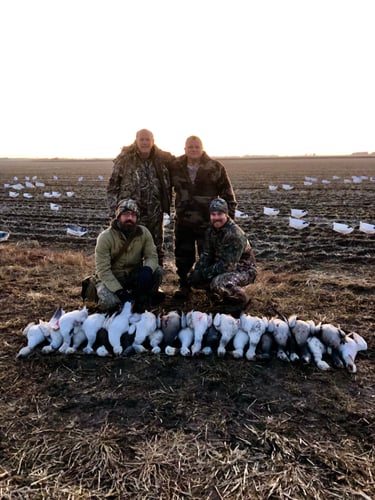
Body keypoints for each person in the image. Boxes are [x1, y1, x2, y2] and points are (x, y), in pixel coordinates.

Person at [169, 135, 237, 298]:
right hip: (183, 222)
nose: (193, 150)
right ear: (185, 149)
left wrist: (229, 222)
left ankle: (209, 287)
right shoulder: (175, 166)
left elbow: (229, 197)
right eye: (190, 147)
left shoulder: (215, 167)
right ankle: (184, 285)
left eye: (196, 147)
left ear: (202, 148)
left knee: (209, 255)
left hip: (208, 223)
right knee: (183, 255)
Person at [107, 129, 173, 266]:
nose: (144, 142)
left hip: (154, 212)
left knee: (155, 249)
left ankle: (155, 282)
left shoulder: (162, 159)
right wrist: (114, 211)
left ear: (153, 141)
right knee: (130, 249)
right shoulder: (125, 159)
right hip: (130, 214)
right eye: (141, 139)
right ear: (136, 140)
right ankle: (130, 281)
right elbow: (113, 186)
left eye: (147, 139)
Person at [93, 199, 164, 312]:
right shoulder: (105, 237)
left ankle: (142, 298)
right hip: (113, 277)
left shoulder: (144, 233)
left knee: (157, 271)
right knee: (110, 302)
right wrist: (119, 291)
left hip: (133, 276)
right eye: (126, 214)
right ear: (118, 216)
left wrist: (147, 269)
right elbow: (103, 270)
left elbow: (151, 256)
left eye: (133, 215)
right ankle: (119, 298)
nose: (130, 218)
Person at [187, 197, 257, 312]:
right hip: (223, 264)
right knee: (195, 277)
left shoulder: (234, 234)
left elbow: (227, 266)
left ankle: (241, 299)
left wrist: (204, 273)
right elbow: (207, 255)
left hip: (243, 268)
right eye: (213, 214)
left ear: (226, 214)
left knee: (219, 282)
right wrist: (197, 271)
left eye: (219, 214)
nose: (216, 218)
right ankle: (217, 296)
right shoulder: (211, 231)